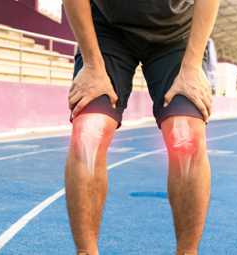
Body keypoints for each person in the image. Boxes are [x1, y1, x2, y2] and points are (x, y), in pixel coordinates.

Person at [62, 0, 219, 254]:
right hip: (107, 30)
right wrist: (92, 65)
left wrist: (191, 68)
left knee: (186, 136)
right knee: (88, 133)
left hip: (176, 33)